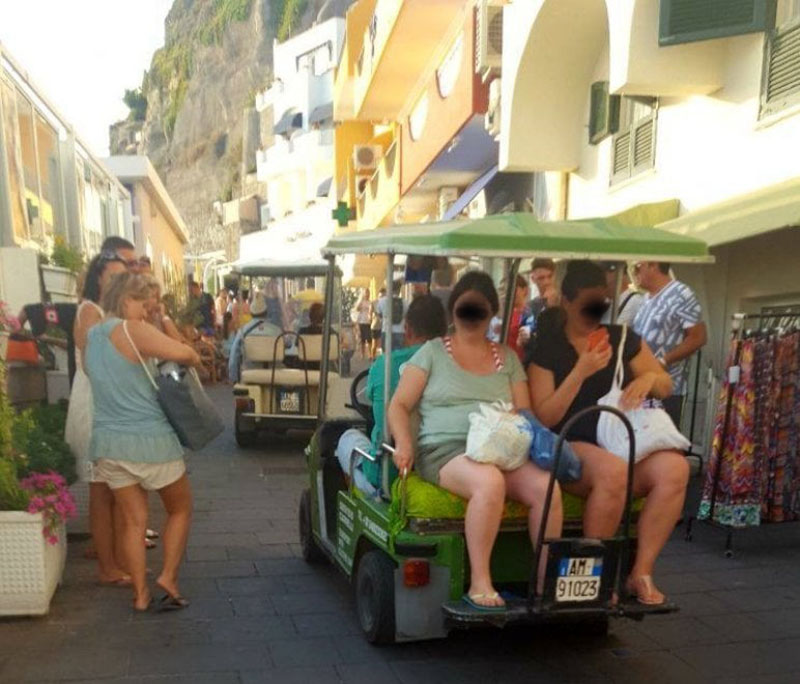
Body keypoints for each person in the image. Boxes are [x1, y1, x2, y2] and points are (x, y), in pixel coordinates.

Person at [389, 272, 563, 609]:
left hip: (500, 448)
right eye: (465, 308)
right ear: (453, 310)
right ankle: (480, 582)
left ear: (491, 314)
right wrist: (404, 443)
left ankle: (545, 583)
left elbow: (524, 411)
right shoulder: (432, 352)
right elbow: (399, 404)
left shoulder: (507, 358)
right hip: (446, 448)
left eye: (479, 310)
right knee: (489, 482)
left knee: (548, 488)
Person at [526, 261, 688, 605]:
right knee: (613, 472)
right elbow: (546, 415)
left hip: (620, 438)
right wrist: (581, 371)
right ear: (568, 303)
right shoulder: (549, 349)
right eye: (587, 305)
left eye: (601, 304)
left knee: (675, 469)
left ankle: (640, 573)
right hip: (570, 443)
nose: (595, 313)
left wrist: (646, 379)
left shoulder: (622, 338)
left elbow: (665, 382)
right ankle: (590, 577)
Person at [86, 272, 200, 612]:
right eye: (143, 303)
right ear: (126, 301)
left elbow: (94, 376)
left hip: (108, 443)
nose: (146, 310)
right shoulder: (133, 330)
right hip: (151, 441)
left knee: (134, 520)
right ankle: (168, 576)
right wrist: (162, 324)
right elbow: (187, 355)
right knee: (180, 508)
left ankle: (139, 594)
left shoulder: (92, 336)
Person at [65, 252, 129, 585]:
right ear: (98, 278)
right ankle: (107, 568)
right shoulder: (90, 311)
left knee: (114, 490)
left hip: (108, 404)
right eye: (113, 275)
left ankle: (117, 561)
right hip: (96, 404)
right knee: (103, 492)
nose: (119, 280)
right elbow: (92, 363)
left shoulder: (108, 312)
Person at [632, 262, 707, 429]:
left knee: (661, 442)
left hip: (667, 389)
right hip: (641, 386)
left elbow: (698, 337)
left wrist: (663, 361)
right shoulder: (645, 298)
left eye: (637, 267)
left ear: (653, 265)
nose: (634, 272)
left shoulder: (681, 294)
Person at [228, 293, 282, 383]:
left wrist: (234, 378)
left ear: (251, 313)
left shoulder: (243, 331)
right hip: (274, 374)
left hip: (249, 372)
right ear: (266, 312)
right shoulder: (276, 331)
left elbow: (234, 356)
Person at [600, 262, 643, 327]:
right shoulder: (601, 304)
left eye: (609, 271)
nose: (602, 276)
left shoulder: (636, 301)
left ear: (623, 276)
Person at [508, 274, 532, 361]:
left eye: (514, 289)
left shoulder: (529, 314)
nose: (510, 293)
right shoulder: (503, 314)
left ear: (524, 290)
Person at [377, 283, 405, 352]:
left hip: (386, 330)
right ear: (399, 290)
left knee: (386, 355)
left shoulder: (382, 301)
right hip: (400, 331)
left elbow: (379, 314)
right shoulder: (405, 302)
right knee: (398, 356)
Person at [529, 257, 559, 322]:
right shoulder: (531, 306)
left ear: (555, 275)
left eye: (550, 276)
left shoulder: (566, 302)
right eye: (541, 278)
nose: (546, 282)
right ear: (533, 279)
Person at [353, 289, 372, 359]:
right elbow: (357, 309)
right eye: (366, 293)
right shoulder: (361, 302)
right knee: (362, 340)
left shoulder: (370, 302)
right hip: (361, 322)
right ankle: (362, 354)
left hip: (368, 322)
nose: (367, 294)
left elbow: (371, 311)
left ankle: (370, 354)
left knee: (369, 339)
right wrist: (360, 301)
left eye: (368, 293)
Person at [370, 288, 385, 359]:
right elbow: (370, 313)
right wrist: (370, 321)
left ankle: (381, 359)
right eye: (381, 296)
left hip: (384, 326)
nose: (382, 297)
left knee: (382, 344)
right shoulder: (374, 302)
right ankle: (373, 358)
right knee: (374, 344)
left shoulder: (387, 302)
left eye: (383, 296)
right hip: (375, 325)